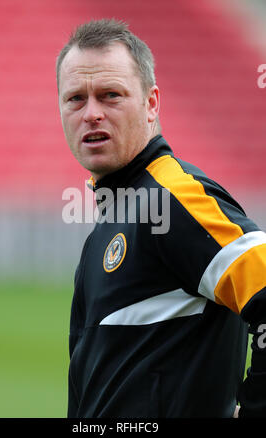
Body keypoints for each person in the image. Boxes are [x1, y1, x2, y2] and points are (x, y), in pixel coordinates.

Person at [56, 19, 266, 418]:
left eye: (110, 95)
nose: (91, 113)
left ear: (151, 104)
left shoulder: (172, 198)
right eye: (76, 99)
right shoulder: (117, 215)